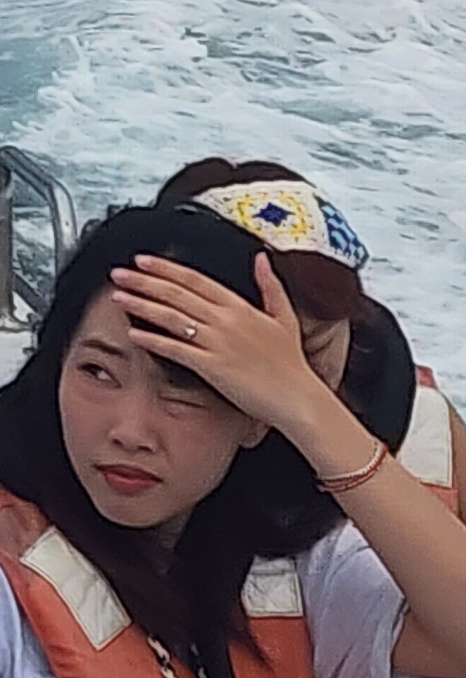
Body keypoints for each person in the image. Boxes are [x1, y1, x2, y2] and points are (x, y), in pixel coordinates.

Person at [0, 201, 466, 678]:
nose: (129, 431)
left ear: (253, 413)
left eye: (182, 390)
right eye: (97, 371)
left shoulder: (292, 570)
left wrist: (304, 406)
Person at [156, 161, 464, 515]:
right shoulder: (120, 439)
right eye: (253, 348)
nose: (286, 372)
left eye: (311, 347)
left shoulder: (424, 420)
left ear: (351, 322)